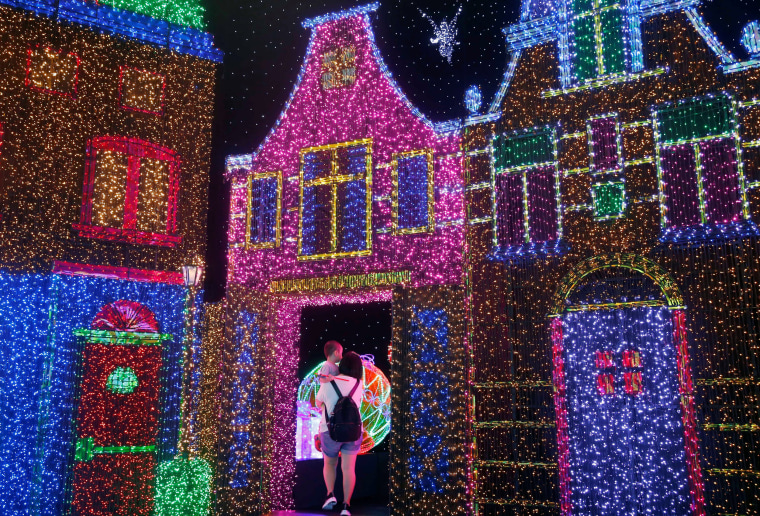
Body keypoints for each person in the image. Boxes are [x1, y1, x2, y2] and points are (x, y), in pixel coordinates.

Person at [315, 351, 364, 516]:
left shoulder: (328, 382)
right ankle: (346, 506)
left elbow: (318, 402)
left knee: (329, 464)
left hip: (329, 431)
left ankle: (330, 494)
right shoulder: (359, 384)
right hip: (353, 431)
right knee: (349, 468)